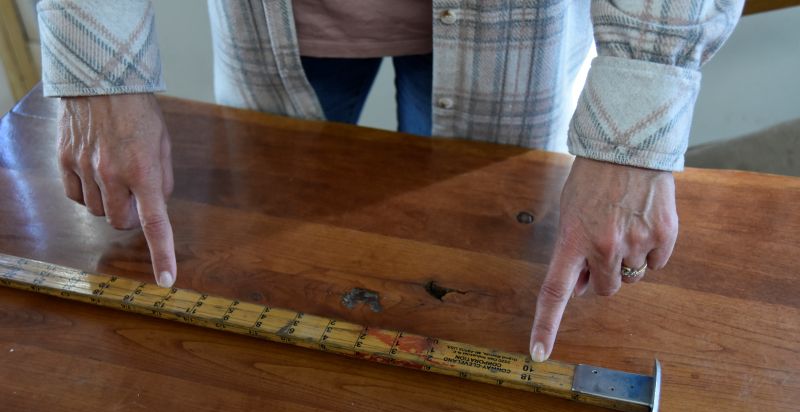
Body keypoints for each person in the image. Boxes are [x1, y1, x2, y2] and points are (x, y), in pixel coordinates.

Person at [36, 0, 743, 362]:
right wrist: (99, 64)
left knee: (488, 287)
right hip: (274, 24)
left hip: (518, 31)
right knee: (272, 271)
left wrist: (637, 120)